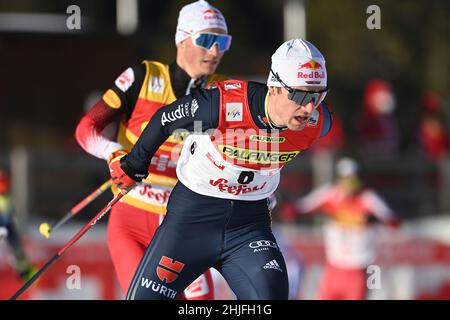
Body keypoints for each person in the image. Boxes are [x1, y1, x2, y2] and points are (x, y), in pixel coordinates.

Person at [108, 38, 333, 299]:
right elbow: (164, 119)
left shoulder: (319, 121)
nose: (308, 107)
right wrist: (135, 164)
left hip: (248, 226)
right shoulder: (224, 103)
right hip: (192, 219)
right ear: (275, 87)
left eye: (318, 96)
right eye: (300, 94)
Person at [75, 0, 231, 299]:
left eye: (223, 42)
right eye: (207, 40)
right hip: (132, 220)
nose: (215, 51)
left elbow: (243, 150)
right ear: (181, 38)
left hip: (186, 227)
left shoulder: (223, 92)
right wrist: (113, 153)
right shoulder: (144, 77)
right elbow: (87, 128)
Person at [282, 157, 400, 299]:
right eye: (344, 179)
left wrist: (373, 220)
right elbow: (299, 208)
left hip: (358, 269)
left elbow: (393, 221)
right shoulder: (330, 194)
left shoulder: (368, 198)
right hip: (334, 268)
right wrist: (286, 206)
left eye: (352, 179)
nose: (348, 184)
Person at [0, 170, 37, 282]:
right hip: (5, 226)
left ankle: (24, 271)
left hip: (7, 225)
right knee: (14, 244)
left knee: (16, 246)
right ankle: (24, 270)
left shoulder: (6, 196)